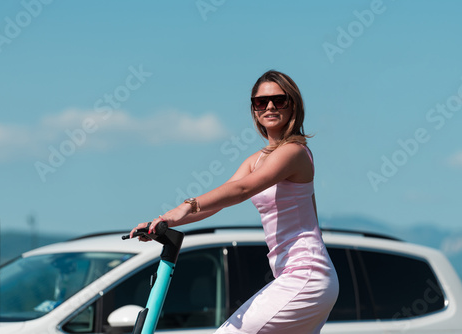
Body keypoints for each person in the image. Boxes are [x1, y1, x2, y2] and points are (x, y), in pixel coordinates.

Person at [130, 70, 339, 333]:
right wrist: (160, 221)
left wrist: (185, 207)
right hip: (291, 276)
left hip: (307, 275)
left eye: (279, 100)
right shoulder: (257, 159)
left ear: (293, 105)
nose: (270, 106)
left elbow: (241, 189)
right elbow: (218, 202)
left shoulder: (295, 152)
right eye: (261, 102)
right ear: (254, 110)